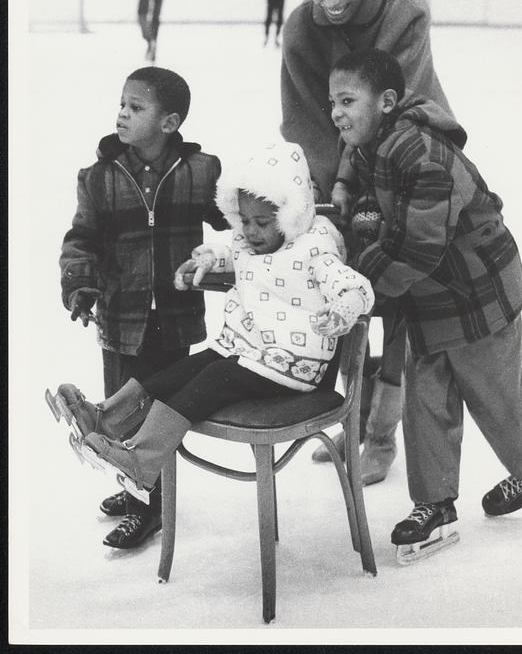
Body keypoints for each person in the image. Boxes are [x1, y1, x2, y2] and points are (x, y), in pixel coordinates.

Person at [328, 48, 522, 561]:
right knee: (426, 398)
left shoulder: (421, 156)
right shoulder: (378, 143)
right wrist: (349, 190)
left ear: (387, 101)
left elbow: (417, 249)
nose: (337, 113)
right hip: (433, 299)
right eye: (333, 102)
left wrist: (358, 278)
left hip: (478, 294)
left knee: (497, 396)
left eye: (348, 100)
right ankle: (434, 503)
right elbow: (369, 182)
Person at [51, 143, 374, 506]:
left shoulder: (315, 250)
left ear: (291, 214)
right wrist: (207, 260)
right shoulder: (251, 242)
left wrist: (343, 309)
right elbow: (231, 252)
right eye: (245, 220)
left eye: (263, 223)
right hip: (249, 354)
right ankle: (107, 418)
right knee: (186, 368)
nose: (251, 231)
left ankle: (144, 459)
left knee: (212, 378)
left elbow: (354, 286)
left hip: (293, 366)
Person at [281, 0, 461, 486]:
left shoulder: (404, 11)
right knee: (344, 301)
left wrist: (360, 185)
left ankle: (382, 437)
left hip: (409, 166)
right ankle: (351, 419)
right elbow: (307, 120)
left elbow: (395, 110)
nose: (329, 1)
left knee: (401, 307)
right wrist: (324, 195)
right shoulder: (302, 30)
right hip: (341, 176)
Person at [53, 66, 227, 550]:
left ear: (169, 123)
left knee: (160, 414)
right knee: (123, 409)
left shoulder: (200, 171)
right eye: (122, 105)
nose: (122, 114)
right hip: (121, 317)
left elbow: (236, 217)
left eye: (136, 107)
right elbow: (81, 241)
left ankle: (152, 508)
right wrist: (81, 287)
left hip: (175, 318)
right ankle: (135, 492)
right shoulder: (100, 178)